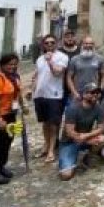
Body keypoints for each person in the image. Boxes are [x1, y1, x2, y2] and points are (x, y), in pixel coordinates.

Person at [0, 54, 26, 185]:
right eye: (9, 64)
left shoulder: (15, 77)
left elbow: (18, 93)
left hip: (10, 113)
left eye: (15, 64)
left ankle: (1, 166)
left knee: (8, 140)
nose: (12, 66)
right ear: (2, 65)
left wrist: (23, 106)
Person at [58, 82, 104, 181]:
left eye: (97, 93)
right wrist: (86, 140)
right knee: (66, 175)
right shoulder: (73, 108)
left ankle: (87, 158)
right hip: (69, 142)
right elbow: (69, 132)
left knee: (103, 139)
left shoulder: (98, 108)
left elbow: (101, 128)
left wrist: (87, 136)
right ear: (84, 94)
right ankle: (70, 158)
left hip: (84, 137)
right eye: (92, 92)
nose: (95, 95)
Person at [32, 34, 69, 163]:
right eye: (46, 43)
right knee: (45, 123)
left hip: (54, 95)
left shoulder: (62, 57)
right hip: (40, 95)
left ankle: (52, 150)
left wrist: (50, 61)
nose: (49, 45)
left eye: (52, 42)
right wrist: (32, 90)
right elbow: (37, 75)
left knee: (53, 124)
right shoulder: (39, 59)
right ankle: (46, 145)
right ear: (43, 45)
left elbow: (57, 72)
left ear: (57, 43)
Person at [66, 36, 104, 104]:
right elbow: (69, 77)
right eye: (86, 43)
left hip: (94, 93)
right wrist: (74, 93)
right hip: (78, 94)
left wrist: (100, 90)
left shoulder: (100, 59)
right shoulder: (74, 59)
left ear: (94, 45)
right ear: (82, 45)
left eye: (91, 43)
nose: (88, 45)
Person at [58, 29, 81, 106]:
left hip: (77, 86)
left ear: (75, 38)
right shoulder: (59, 52)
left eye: (72, 36)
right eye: (67, 37)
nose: (70, 38)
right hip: (62, 86)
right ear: (63, 39)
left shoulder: (80, 51)